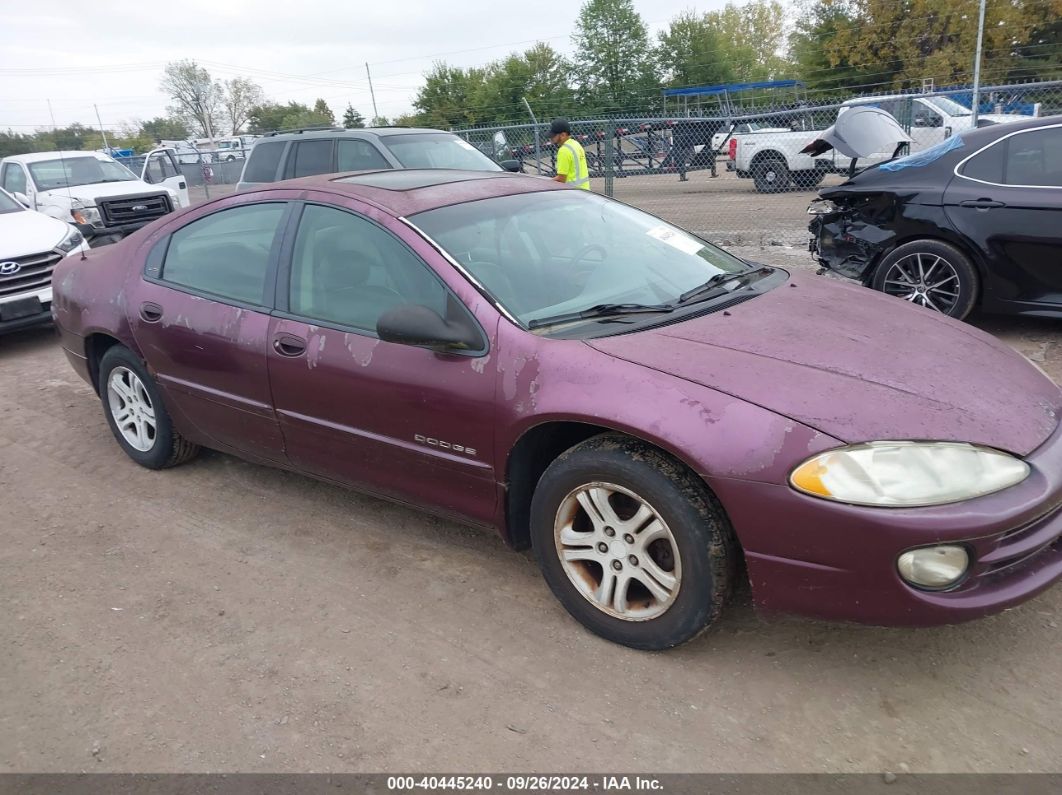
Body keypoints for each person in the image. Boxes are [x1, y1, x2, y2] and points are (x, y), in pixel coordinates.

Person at [549, 118, 590, 190]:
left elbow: (561, 179)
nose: (551, 138)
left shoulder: (564, 150)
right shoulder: (575, 144)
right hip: (584, 190)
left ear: (563, 135)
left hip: (573, 192)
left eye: (553, 135)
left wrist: (546, 183)